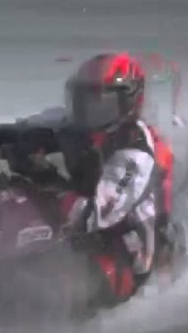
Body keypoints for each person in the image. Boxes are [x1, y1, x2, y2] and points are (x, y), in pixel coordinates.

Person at [56, 52, 176, 304]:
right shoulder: (81, 128)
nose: (91, 111)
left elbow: (95, 214)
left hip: (124, 251)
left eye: (102, 103)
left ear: (129, 103)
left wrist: (43, 190)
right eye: (84, 101)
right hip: (87, 229)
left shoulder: (135, 152)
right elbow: (31, 128)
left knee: (64, 270)